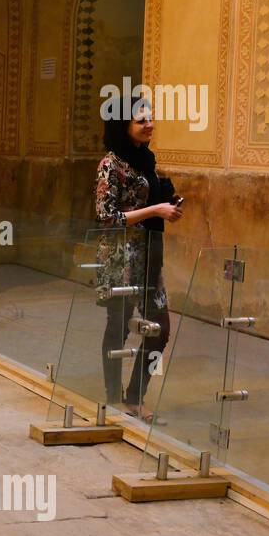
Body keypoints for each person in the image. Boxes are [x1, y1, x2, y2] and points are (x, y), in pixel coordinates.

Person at [94, 98, 183, 422]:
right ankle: (113, 399)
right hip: (121, 256)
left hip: (148, 255)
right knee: (118, 328)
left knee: (159, 329)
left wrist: (166, 206)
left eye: (150, 118)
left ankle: (136, 397)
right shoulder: (111, 164)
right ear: (123, 125)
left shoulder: (146, 159)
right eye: (141, 120)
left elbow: (145, 204)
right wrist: (155, 210)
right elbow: (106, 216)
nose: (149, 124)